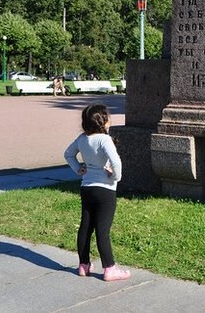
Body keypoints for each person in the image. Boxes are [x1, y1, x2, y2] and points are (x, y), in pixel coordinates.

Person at [63, 104, 130, 281]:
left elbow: (68, 154)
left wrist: (78, 169)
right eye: (108, 116)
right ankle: (109, 268)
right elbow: (116, 162)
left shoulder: (82, 139)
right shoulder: (104, 140)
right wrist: (116, 177)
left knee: (86, 226)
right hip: (105, 190)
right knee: (103, 230)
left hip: (87, 187)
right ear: (103, 121)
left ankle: (83, 265)